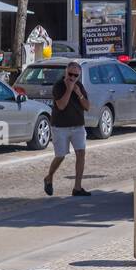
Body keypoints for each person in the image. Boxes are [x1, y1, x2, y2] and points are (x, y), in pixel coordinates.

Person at [43, 61, 92, 198]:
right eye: (70, 74)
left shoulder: (79, 86)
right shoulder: (58, 86)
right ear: (66, 72)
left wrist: (79, 94)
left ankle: (77, 187)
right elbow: (61, 105)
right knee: (60, 156)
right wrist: (69, 90)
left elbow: (87, 107)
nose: (72, 77)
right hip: (60, 127)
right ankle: (49, 177)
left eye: (75, 75)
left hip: (78, 126)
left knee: (81, 153)